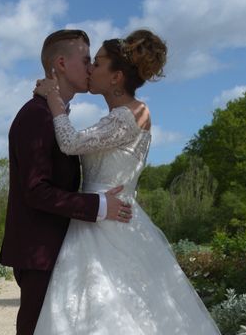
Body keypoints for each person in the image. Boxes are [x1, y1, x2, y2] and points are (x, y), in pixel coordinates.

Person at [32, 29, 221, 334]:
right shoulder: (125, 114)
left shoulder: (128, 116)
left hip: (107, 224)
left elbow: (69, 143)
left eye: (98, 62)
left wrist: (53, 98)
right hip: (101, 217)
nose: (91, 68)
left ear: (116, 77)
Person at [0, 29, 135, 335]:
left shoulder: (53, 116)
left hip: (59, 249)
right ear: (61, 63)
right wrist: (100, 205)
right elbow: (36, 191)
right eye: (86, 60)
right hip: (40, 253)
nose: (90, 68)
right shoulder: (35, 116)